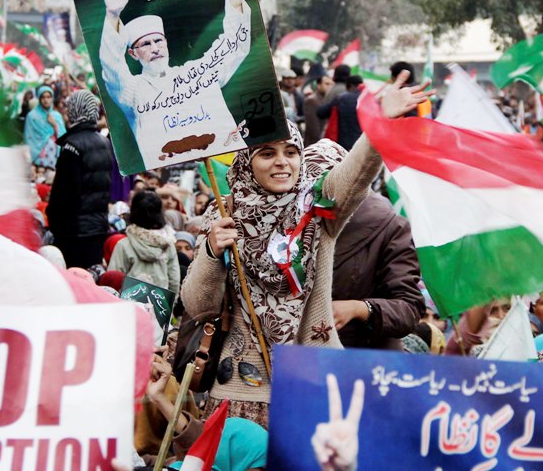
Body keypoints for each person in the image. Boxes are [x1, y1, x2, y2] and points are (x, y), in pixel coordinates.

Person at [180, 71, 432, 427]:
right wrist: (210, 251)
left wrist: (380, 124)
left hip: (313, 384)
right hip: (240, 390)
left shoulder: (317, 210)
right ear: (246, 161)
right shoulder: (224, 213)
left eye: (291, 152)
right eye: (267, 153)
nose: (282, 161)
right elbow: (198, 306)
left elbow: (355, 174)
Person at [99, 0, 252, 169]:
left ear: (166, 43)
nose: (155, 48)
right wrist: (113, 16)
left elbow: (234, 46)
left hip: (223, 171)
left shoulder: (196, 74)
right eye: (146, 44)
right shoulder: (132, 91)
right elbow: (112, 67)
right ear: (133, 53)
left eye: (158, 41)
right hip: (169, 176)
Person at [331, 193, 424, 349]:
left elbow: (409, 310)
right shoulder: (288, 216)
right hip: (292, 358)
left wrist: (359, 309)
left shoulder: (389, 227)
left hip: (359, 361)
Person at [46, 90, 112, 268]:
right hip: (97, 227)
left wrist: (53, 222)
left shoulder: (72, 146)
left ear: (75, 110)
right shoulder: (104, 142)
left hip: (73, 232)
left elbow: (64, 194)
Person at [110, 190, 180, 296]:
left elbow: (113, 279)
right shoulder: (167, 244)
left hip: (130, 307)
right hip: (159, 305)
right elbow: (174, 280)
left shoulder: (124, 245)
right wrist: (169, 306)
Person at [24, 85, 66, 169]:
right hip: (37, 159)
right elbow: (28, 138)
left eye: (48, 97)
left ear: (52, 98)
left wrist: (54, 125)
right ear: (39, 99)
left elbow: (64, 138)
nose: (46, 100)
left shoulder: (56, 116)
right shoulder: (32, 116)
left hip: (54, 158)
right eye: (43, 97)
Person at [303, 75, 335, 146]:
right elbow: (313, 128)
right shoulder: (311, 100)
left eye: (332, 84)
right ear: (319, 85)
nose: (330, 86)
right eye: (327, 84)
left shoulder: (329, 100)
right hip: (315, 145)